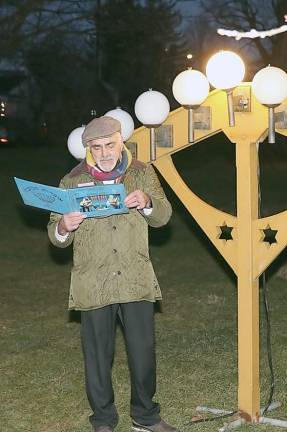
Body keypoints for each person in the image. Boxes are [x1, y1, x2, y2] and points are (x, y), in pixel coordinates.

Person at [47, 116, 178, 432]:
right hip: (94, 282)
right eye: (96, 147)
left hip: (135, 279)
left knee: (143, 353)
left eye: (110, 145)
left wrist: (147, 202)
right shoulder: (71, 182)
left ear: (122, 141)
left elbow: (164, 216)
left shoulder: (142, 173)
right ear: (87, 149)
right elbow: (54, 234)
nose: (104, 153)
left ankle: (145, 417)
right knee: (97, 357)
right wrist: (64, 226)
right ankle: (103, 420)